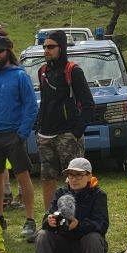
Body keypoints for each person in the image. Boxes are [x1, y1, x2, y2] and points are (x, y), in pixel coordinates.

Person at [0, 34, 38, 238]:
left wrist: (21, 133)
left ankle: (30, 219)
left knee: (23, 176)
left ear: (8, 52)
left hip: (13, 135)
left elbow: (30, 107)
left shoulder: (20, 76)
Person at [33, 157, 109, 253]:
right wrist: (50, 221)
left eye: (78, 175)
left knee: (94, 238)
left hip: (86, 248)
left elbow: (102, 225)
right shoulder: (61, 193)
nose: (73, 179)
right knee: (42, 235)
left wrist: (79, 224)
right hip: (63, 247)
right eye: (71, 176)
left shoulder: (98, 195)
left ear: (89, 176)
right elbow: (46, 218)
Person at [36, 30, 95, 218]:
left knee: (75, 180)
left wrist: (76, 132)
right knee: (47, 179)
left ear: (61, 48)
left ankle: (74, 219)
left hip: (67, 135)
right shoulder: (42, 71)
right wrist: (38, 128)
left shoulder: (73, 71)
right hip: (45, 136)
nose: (46, 50)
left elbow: (89, 105)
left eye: (51, 47)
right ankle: (50, 218)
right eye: (44, 46)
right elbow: (45, 102)